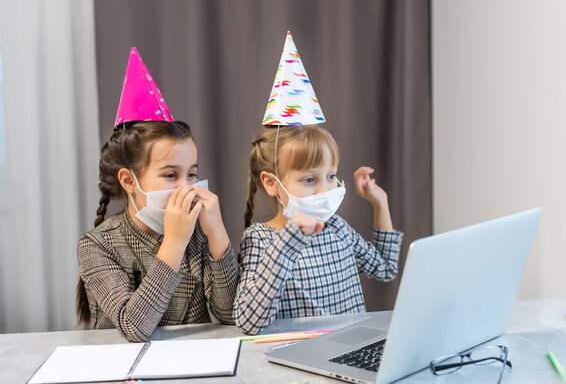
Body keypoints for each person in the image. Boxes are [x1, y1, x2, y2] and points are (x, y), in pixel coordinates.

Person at [234, 32, 403, 335]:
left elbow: (385, 269)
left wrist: (380, 203)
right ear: (272, 184)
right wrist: (290, 239)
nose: (325, 190)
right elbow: (249, 322)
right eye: (309, 179)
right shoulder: (261, 239)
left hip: (351, 349)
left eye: (331, 176)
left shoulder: (337, 228)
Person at [75, 48, 239, 342]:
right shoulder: (97, 246)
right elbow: (135, 328)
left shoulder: (198, 234)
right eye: (169, 175)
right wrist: (175, 243)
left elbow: (231, 315)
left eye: (191, 174)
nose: (185, 187)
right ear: (128, 180)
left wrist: (217, 234)